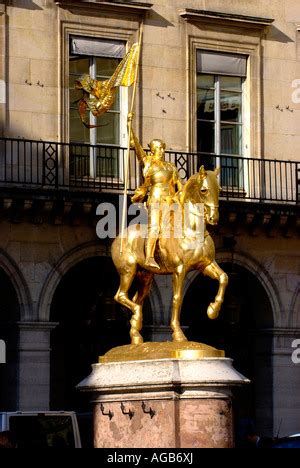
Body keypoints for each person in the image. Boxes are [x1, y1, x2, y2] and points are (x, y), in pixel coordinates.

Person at [129, 113, 183, 270]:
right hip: (156, 199)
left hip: (171, 199)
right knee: (155, 227)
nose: (162, 151)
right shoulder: (149, 163)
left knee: (177, 228)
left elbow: (180, 184)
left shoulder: (171, 167)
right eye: (158, 148)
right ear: (152, 150)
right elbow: (136, 146)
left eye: (163, 148)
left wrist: (182, 194)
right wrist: (129, 125)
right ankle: (150, 257)